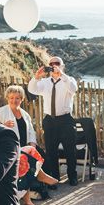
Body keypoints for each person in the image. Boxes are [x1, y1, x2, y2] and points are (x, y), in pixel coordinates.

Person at [0, 85, 58, 205]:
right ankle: (41, 178)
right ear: (7, 98)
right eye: (12, 98)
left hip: (24, 146)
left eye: (17, 98)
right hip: (9, 147)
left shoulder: (24, 114)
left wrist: (33, 144)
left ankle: (31, 192)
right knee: (25, 159)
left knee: (38, 155)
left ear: (22, 99)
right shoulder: (0, 112)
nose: (14, 100)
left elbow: (31, 131)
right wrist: (3, 125)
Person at [27, 57, 79, 185]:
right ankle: (54, 177)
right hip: (50, 120)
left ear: (62, 66)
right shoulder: (44, 82)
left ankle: (72, 176)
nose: (54, 66)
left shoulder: (68, 80)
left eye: (57, 64)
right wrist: (36, 77)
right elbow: (31, 89)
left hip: (66, 119)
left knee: (69, 150)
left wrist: (61, 75)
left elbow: (73, 89)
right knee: (50, 151)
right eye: (51, 64)